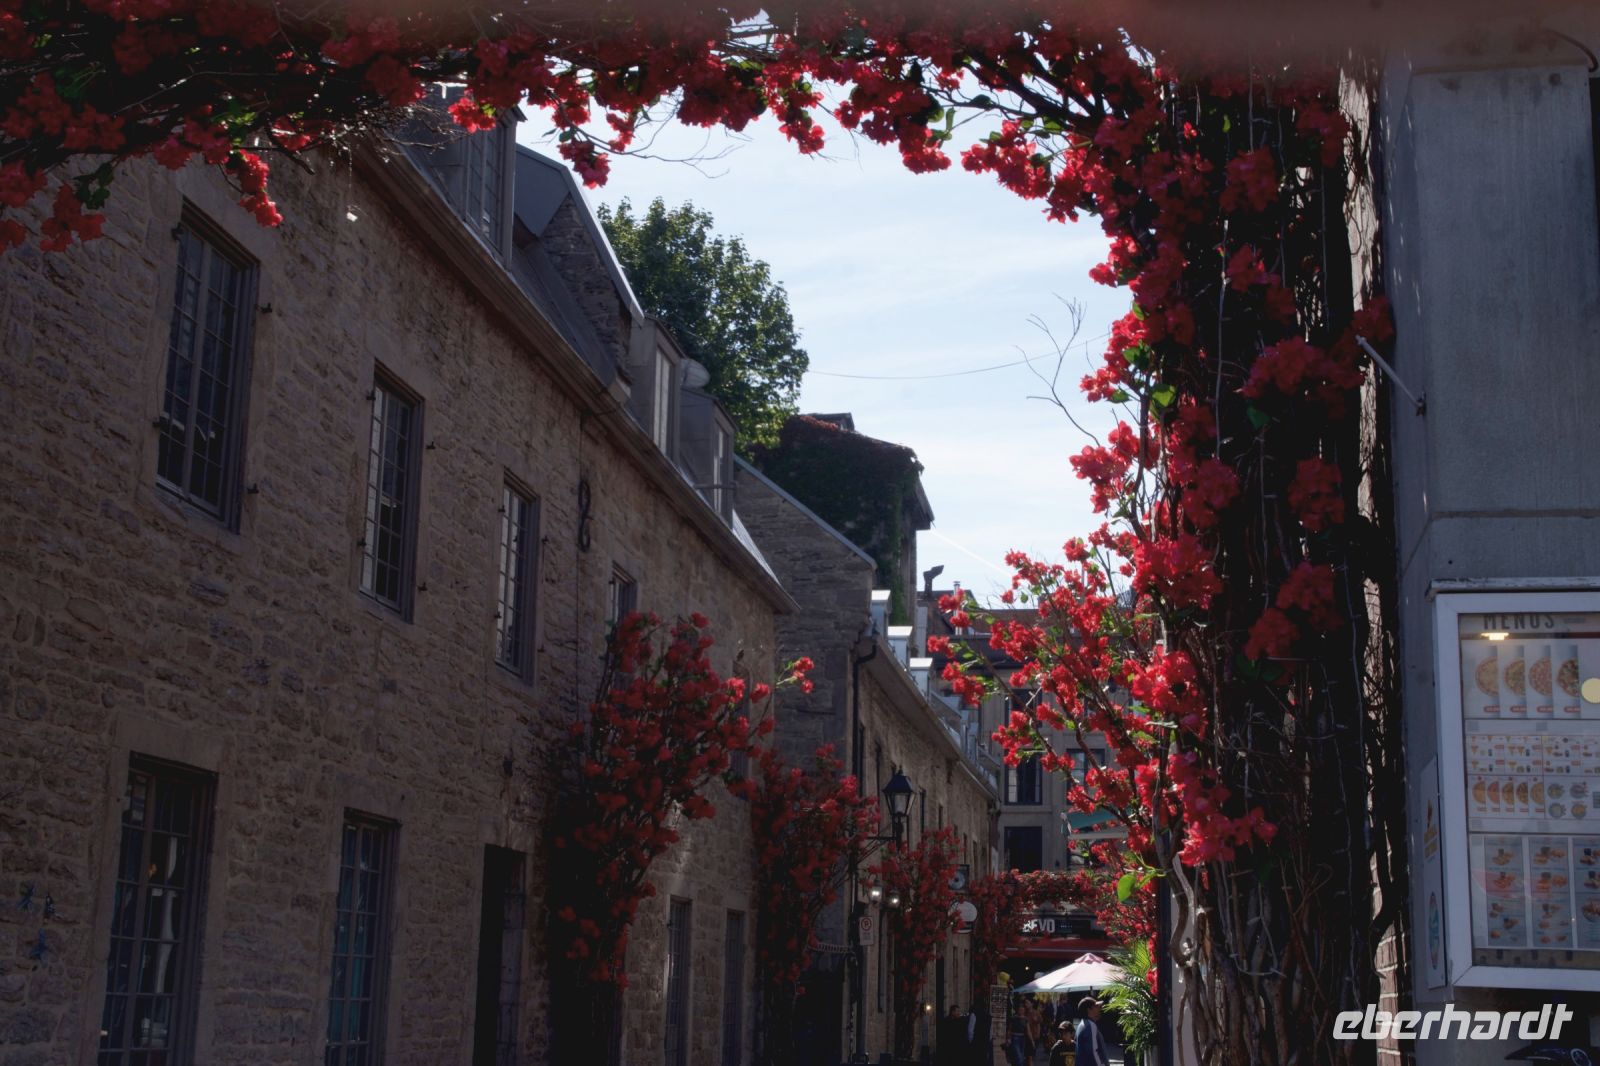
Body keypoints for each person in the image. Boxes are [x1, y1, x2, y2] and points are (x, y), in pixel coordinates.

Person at [1074, 997, 1110, 1066]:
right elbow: (1093, 1052)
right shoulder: (1090, 1026)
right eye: (1096, 1006)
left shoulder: (1082, 1024)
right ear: (1089, 1010)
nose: (1099, 1009)